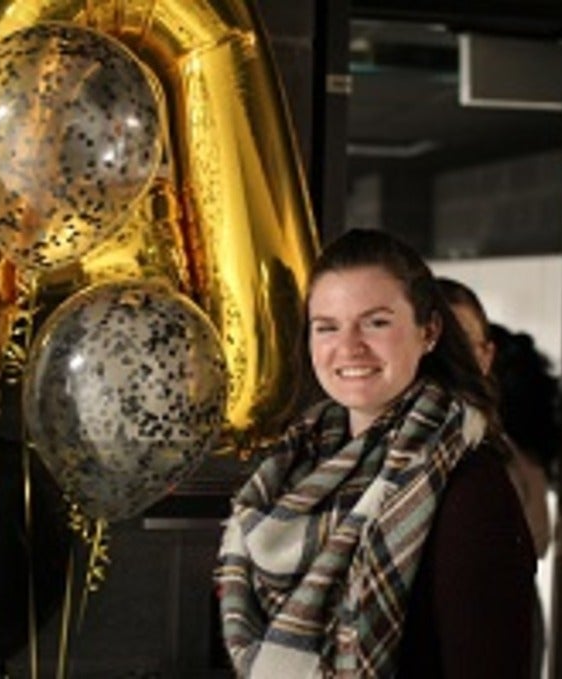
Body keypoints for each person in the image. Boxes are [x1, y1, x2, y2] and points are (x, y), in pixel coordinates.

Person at [216, 229, 535, 677]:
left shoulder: (471, 486)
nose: (349, 347)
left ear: (429, 332)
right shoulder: (288, 471)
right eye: (327, 327)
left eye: (376, 323)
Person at [437, 278, 562, 679]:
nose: (449, 359)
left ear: (486, 355)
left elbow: (538, 536)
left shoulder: (499, 447)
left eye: (463, 343)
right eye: (439, 342)